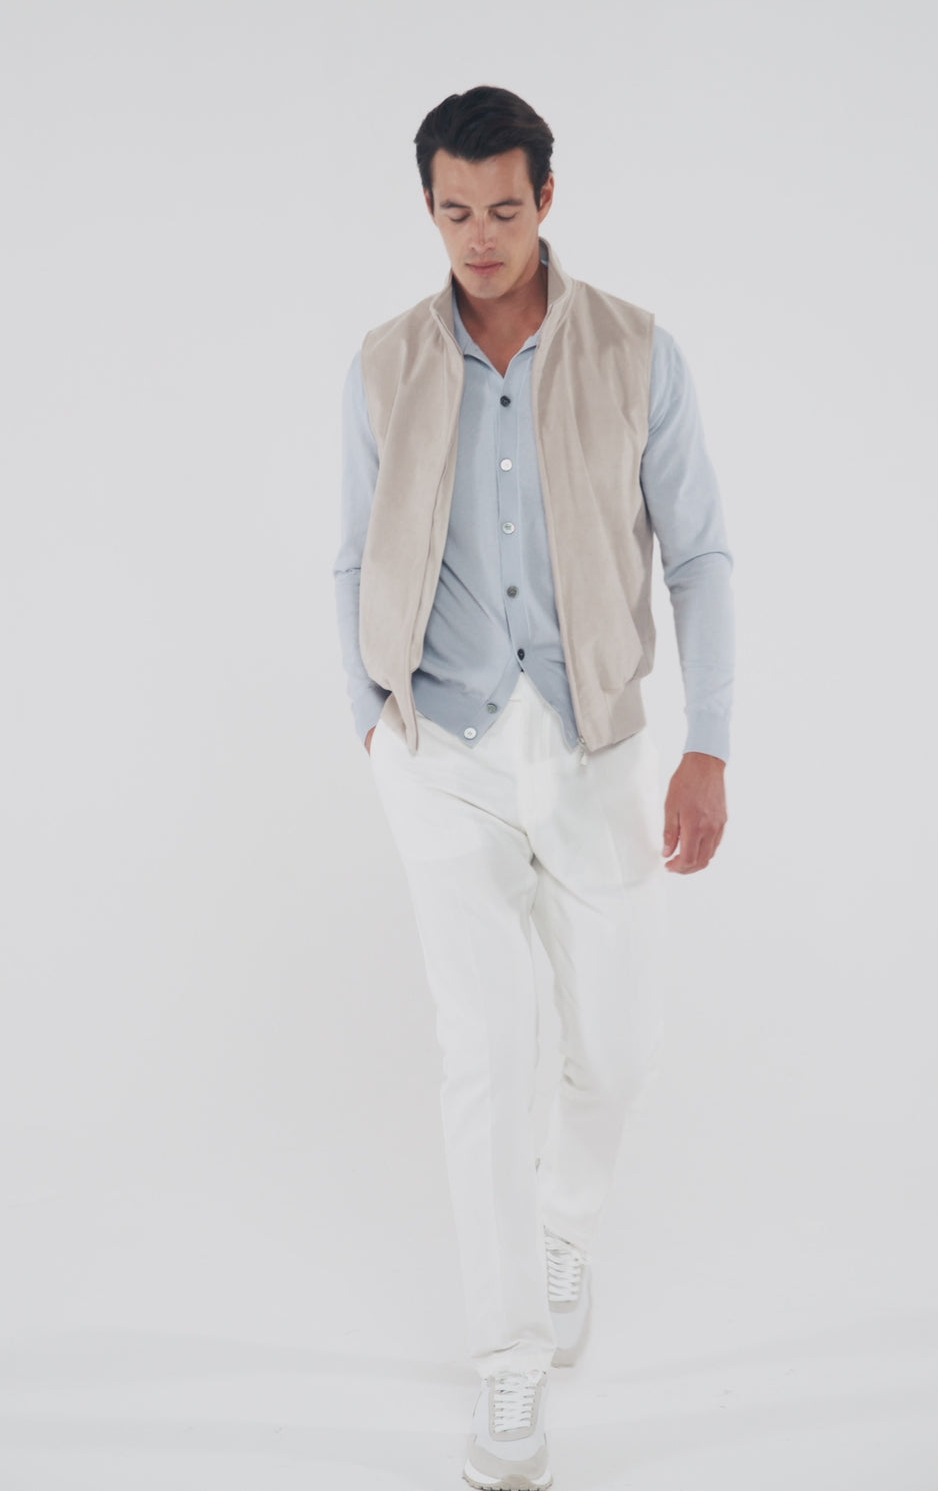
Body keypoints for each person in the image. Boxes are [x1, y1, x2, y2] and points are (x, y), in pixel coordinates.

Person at [332, 84, 734, 1491]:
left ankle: (566, 1227)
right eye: (455, 212)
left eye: (505, 208)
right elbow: (350, 553)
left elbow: (700, 554)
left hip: (595, 747)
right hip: (439, 755)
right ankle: (507, 1365)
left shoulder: (636, 351)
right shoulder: (384, 363)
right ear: (429, 208)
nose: (481, 237)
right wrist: (369, 721)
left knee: (614, 1046)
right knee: (487, 1054)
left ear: (546, 199)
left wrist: (708, 741)